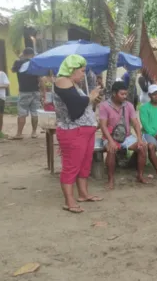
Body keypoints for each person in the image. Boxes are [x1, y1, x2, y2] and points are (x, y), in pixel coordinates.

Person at [53, 55, 103, 213]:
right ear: (72, 69)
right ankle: (69, 201)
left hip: (85, 130)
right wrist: (90, 97)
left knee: (84, 164)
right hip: (72, 130)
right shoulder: (62, 81)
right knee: (71, 166)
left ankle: (83, 194)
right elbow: (75, 108)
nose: (83, 74)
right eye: (81, 71)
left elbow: (81, 105)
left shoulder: (73, 84)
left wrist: (92, 101)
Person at [99, 81, 147, 189]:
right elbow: (103, 126)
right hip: (110, 136)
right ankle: (110, 180)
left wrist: (139, 139)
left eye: (126, 94)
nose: (125, 96)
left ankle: (140, 175)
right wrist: (110, 141)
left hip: (126, 136)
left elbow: (135, 123)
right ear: (114, 93)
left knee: (142, 147)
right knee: (111, 150)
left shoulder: (129, 105)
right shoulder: (104, 106)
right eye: (122, 94)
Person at [11, 47, 44, 140]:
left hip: (24, 91)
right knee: (35, 113)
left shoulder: (18, 62)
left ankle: (19, 133)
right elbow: (40, 79)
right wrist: (42, 92)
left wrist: (21, 57)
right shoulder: (35, 63)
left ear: (23, 53)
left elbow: (12, 70)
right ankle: (34, 132)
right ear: (32, 54)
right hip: (35, 91)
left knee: (22, 113)